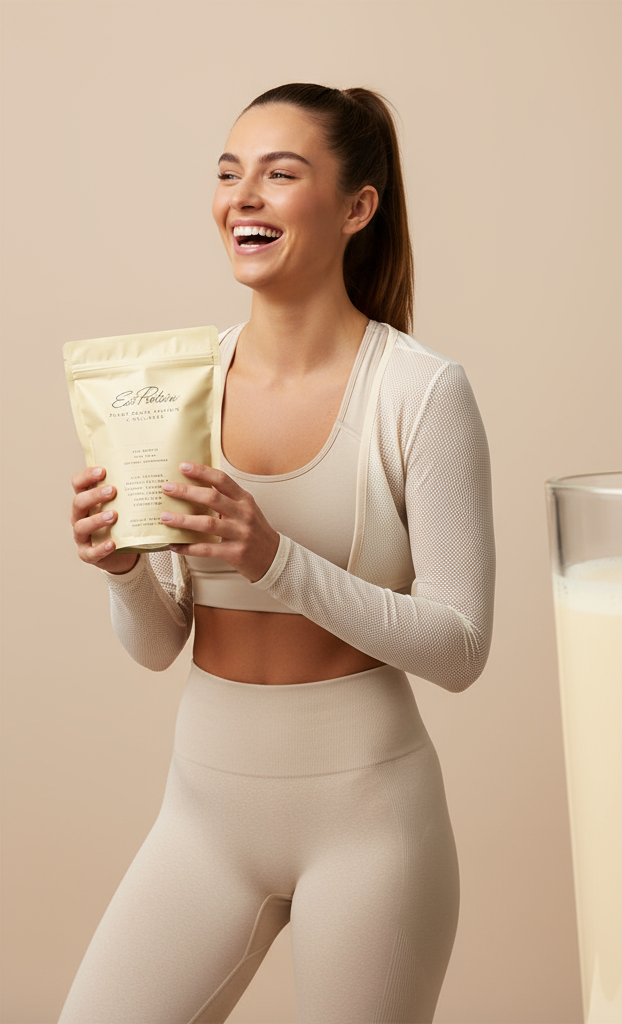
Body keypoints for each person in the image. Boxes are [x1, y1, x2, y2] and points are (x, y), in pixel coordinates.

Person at [61, 83, 494, 1024]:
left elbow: (462, 647)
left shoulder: (420, 393)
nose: (243, 198)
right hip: (202, 815)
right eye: (229, 175)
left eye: (279, 174)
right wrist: (123, 572)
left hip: (373, 824)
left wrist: (275, 560)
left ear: (357, 207)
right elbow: (158, 646)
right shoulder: (178, 384)